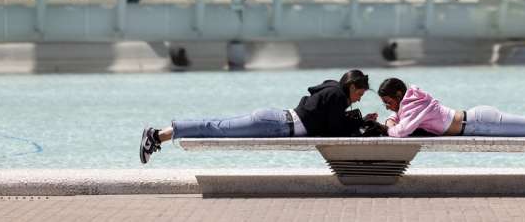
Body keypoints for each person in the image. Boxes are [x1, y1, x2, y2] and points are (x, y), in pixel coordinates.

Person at [139, 69, 375, 163]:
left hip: (275, 121)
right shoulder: (336, 96)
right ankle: (157, 136)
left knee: (218, 127)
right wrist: (362, 123)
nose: (360, 98)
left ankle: (159, 136)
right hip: (275, 125)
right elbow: (333, 129)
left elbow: (328, 122)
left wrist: (361, 121)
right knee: (217, 128)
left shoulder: (333, 90)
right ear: (352, 86)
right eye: (360, 92)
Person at [376, 78, 525, 170]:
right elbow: (403, 123)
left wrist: (388, 122)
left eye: (388, 102)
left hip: (482, 123)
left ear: (398, 94)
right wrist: (393, 116)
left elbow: (400, 132)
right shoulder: (411, 104)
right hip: (477, 122)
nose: (388, 107)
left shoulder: (411, 107)